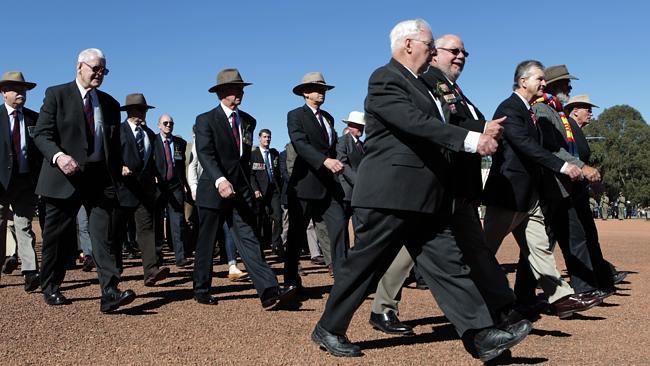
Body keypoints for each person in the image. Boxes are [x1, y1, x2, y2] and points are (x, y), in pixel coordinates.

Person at [312, 19, 531, 362]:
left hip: (428, 196)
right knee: (364, 268)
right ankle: (329, 327)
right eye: (429, 44)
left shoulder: (424, 86)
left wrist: (474, 131)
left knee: (449, 265)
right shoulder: (384, 78)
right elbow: (415, 124)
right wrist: (472, 140)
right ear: (408, 45)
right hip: (390, 194)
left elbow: (443, 124)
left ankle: (482, 335)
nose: (433, 50)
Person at [367, 33, 518, 336]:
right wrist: (481, 129)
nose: (460, 56)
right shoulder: (428, 82)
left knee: (473, 248)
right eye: (454, 51)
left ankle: (503, 308)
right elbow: (438, 126)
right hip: (439, 181)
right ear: (434, 54)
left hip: (460, 181)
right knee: (413, 247)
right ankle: (382, 306)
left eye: (464, 52)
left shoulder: (454, 89)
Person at [482, 60, 602, 319]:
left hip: (530, 195)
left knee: (540, 249)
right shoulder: (509, 108)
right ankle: (472, 301)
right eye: (539, 78)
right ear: (523, 81)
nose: (544, 83)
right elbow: (525, 145)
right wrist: (562, 167)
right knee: (483, 251)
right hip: (508, 194)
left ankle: (562, 298)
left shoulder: (531, 112)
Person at [33, 48, 135, 312]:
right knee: (58, 236)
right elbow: (42, 135)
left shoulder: (110, 104)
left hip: (99, 177)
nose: (100, 74)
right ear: (79, 67)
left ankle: (109, 292)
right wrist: (58, 157)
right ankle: (51, 286)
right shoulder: (56, 95)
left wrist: (118, 177)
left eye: (104, 70)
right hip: (64, 175)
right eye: (95, 69)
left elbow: (113, 145)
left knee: (104, 235)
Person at [192, 68, 295, 307]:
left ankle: (269, 292)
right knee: (207, 241)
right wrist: (220, 180)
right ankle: (201, 288)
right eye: (233, 88)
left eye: (241, 88)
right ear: (220, 92)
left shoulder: (248, 121)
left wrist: (247, 188)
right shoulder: (205, 120)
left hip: (240, 191)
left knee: (248, 238)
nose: (239, 92)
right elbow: (205, 154)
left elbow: (244, 160)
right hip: (213, 189)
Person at [530, 65, 615, 298]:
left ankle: (588, 286)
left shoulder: (556, 112)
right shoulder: (542, 110)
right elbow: (551, 148)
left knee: (562, 240)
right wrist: (582, 168)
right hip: (554, 185)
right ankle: (584, 288)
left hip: (567, 185)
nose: (570, 87)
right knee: (552, 242)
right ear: (553, 85)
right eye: (566, 83)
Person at [286, 71, 347, 286]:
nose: (321, 93)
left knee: (339, 226)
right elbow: (300, 144)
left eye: (323, 89)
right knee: (296, 233)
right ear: (304, 93)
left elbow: (332, 146)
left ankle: (342, 278)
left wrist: (336, 163)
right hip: (304, 185)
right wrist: (325, 161)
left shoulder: (328, 117)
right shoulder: (295, 115)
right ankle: (291, 280)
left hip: (329, 185)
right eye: (316, 89)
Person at [113, 93, 170, 286]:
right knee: (117, 231)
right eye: (138, 109)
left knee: (146, 229)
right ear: (128, 111)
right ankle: (115, 269)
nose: (142, 113)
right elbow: (110, 156)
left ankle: (151, 271)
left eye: (144, 109)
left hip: (144, 191)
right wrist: (119, 167)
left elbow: (153, 161)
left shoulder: (149, 135)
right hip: (122, 190)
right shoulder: (117, 131)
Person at [0, 71, 42, 291]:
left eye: (23, 90)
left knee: (24, 226)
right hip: (0, 183)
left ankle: (30, 272)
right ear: (3, 92)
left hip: (26, 183)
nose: (21, 94)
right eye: (16, 89)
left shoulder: (34, 119)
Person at [154, 114, 192, 268]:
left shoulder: (180, 143)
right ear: (159, 125)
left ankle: (180, 256)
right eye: (165, 123)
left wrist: (185, 184)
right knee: (157, 222)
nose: (168, 125)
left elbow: (181, 165)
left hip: (175, 185)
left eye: (171, 123)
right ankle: (157, 256)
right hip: (158, 186)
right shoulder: (152, 140)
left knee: (177, 221)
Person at [250, 129, 284, 258]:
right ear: (260, 138)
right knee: (260, 220)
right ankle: (259, 248)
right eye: (264, 137)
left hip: (274, 190)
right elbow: (251, 175)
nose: (267, 139)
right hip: (260, 191)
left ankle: (275, 243)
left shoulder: (274, 153)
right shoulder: (254, 155)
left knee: (278, 217)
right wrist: (255, 189)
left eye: (269, 137)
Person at [336, 111, 366, 225]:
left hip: (360, 194)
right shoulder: (342, 141)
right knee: (342, 226)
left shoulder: (363, 145)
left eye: (362, 126)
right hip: (346, 192)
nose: (362, 128)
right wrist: (358, 182)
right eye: (359, 126)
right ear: (350, 125)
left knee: (359, 226)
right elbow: (342, 163)